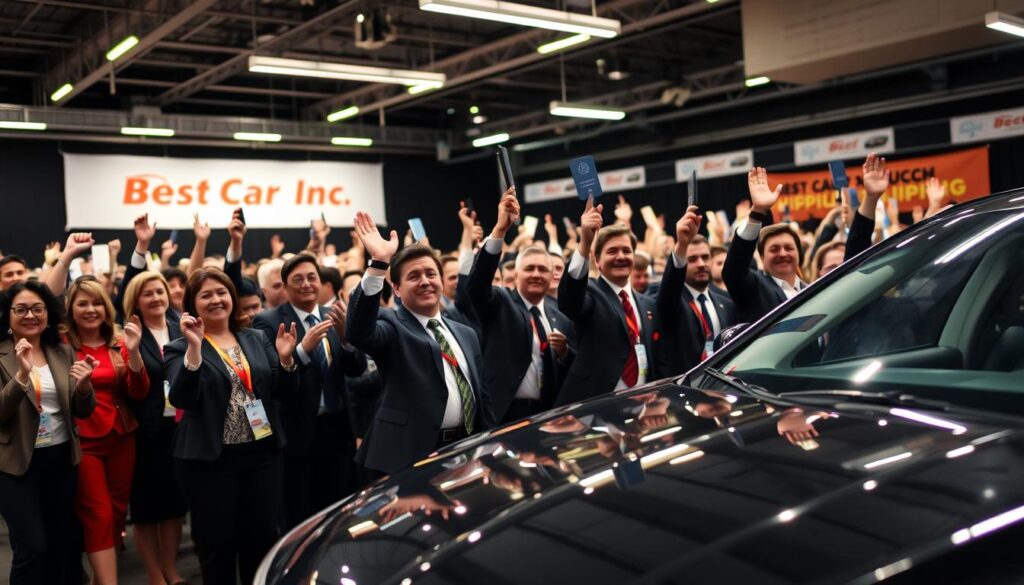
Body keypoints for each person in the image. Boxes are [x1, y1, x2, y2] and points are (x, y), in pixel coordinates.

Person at [163, 268, 299, 585]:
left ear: (232, 298)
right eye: (206, 295)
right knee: (217, 548)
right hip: (210, 462)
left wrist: (286, 361)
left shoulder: (256, 337)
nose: (216, 300)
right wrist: (194, 348)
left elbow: (284, 393)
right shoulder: (178, 348)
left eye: (221, 292)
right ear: (193, 304)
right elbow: (181, 398)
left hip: (262, 456)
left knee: (262, 540)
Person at [345, 211, 494, 475]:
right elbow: (359, 332)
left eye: (431, 274)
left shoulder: (466, 333)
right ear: (397, 288)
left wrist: (490, 444)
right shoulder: (391, 324)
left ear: (440, 280)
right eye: (414, 276)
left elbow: (481, 396)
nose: (425, 281)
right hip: (408, 456)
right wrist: (379, 263)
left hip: (466, 450)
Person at [252, 253, 367, 529]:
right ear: (285, 286)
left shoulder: (333, 315)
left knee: (339, 510)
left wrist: (346, 340)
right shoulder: (268, 321)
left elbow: (357, 369)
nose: (306, 284)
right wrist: (302, 351)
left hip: (338, 429)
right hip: (297, 433)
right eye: (298, 279)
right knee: (300, 514)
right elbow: (273, 380)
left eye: (311, 277)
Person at [0, 280, 97, 584]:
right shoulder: (2, 355)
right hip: (16, 464)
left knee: (60, 543)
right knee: (32, 547)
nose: (30, 315)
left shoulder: (62, 351)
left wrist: (84, 387)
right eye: (21, 309)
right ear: (7, 315)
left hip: (60, 459)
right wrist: (21, 376)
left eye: (37, 308)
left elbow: (82, 410)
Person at [63, 278, 149, 585]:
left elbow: (138, 392)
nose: (91, 309)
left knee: (116, 512)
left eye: (97, 302)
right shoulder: (61, 344)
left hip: (121, 436)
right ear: (70, 309)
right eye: (82, 303)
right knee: (98, 514)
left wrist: (135, 354)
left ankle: (102, 578)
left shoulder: (120, 341)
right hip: (83, 440)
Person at [467, 191, 576, 423]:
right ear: (515, 275)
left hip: (551, 417)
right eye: (529, 269)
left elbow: (573, 369)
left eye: (542, 269)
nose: (536, 274)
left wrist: (565, 354)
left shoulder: (560, 318)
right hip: (505, 416)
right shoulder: (502, 303)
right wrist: (499, 231)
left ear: (552, 276)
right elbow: (477, 286)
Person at [556, 198, 661, 406]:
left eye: (626, 251)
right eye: (612, 251)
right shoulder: (591, 293)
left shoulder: (648, 304)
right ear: (597, 260)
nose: (621, 256)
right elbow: (570, 301)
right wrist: (585, 243)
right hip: (595, 407)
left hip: (643, 404)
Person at [121, 271, 188, 585]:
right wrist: (133, 351)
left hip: (181, 428)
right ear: (136, 301)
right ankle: (154, 574)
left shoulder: (181, 326)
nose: (156, 298)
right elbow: (134, 389)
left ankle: (170, 569)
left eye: (159, 291)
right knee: (147, 509)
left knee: (174, 505)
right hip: (147, 432)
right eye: (147, 293)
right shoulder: (130, 334)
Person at [723, 167, 808, 323]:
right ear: (762, 257)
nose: (783, 253)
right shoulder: (754, 288)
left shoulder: (813, 290)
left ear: (799, 253)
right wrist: (757, 213)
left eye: (789, 248)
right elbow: (734, 270)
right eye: (774, 249)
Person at [656, 216, 739, 376]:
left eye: (705, 257)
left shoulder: (727, 303)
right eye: (692, 259)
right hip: (685, 386)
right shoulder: (673, 301)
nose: (701, 264)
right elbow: (670, 290)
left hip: (722, 382)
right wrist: (681, 245)